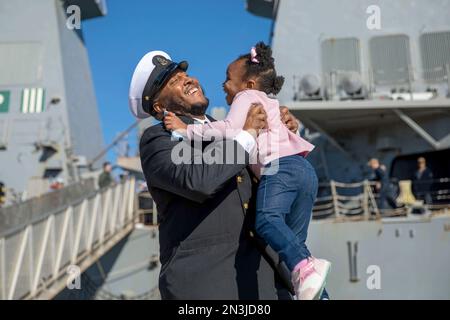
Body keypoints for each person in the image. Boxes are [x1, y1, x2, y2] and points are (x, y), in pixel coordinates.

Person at [129, 50, 329, 300]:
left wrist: (279, 138)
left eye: (186, 75)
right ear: (159, 106)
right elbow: (197, 180)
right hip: (208, 285)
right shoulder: (159, 139)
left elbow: (275, 192)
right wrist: (247, 135)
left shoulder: (237, 128)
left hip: (266, 284)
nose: (188, 80)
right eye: (174, 81)